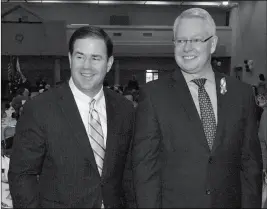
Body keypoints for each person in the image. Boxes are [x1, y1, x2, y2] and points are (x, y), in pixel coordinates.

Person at [131, 8, 262, 208]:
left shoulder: (241, 94)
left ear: (213, 44)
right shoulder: (154, 95)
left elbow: (250, 165)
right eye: (181, 41)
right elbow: (145, 170)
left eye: (196, 40)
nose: (187, 48)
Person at [8, 26, 135, 208]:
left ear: (109, 63)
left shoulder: (124, 109)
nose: (86, 66)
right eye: (80, 56)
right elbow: (21, 175)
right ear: (70, 59)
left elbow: (129, 173)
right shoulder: (40, 108)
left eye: (95, 58)